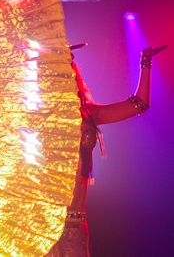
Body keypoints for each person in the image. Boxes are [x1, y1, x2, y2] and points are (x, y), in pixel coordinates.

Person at [46, 44, 167, 257]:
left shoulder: (89, 114)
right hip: (43, 221)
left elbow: (139, 104)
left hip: (76, 222)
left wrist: (145, 61)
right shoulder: (37, 118)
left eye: (67, 70)